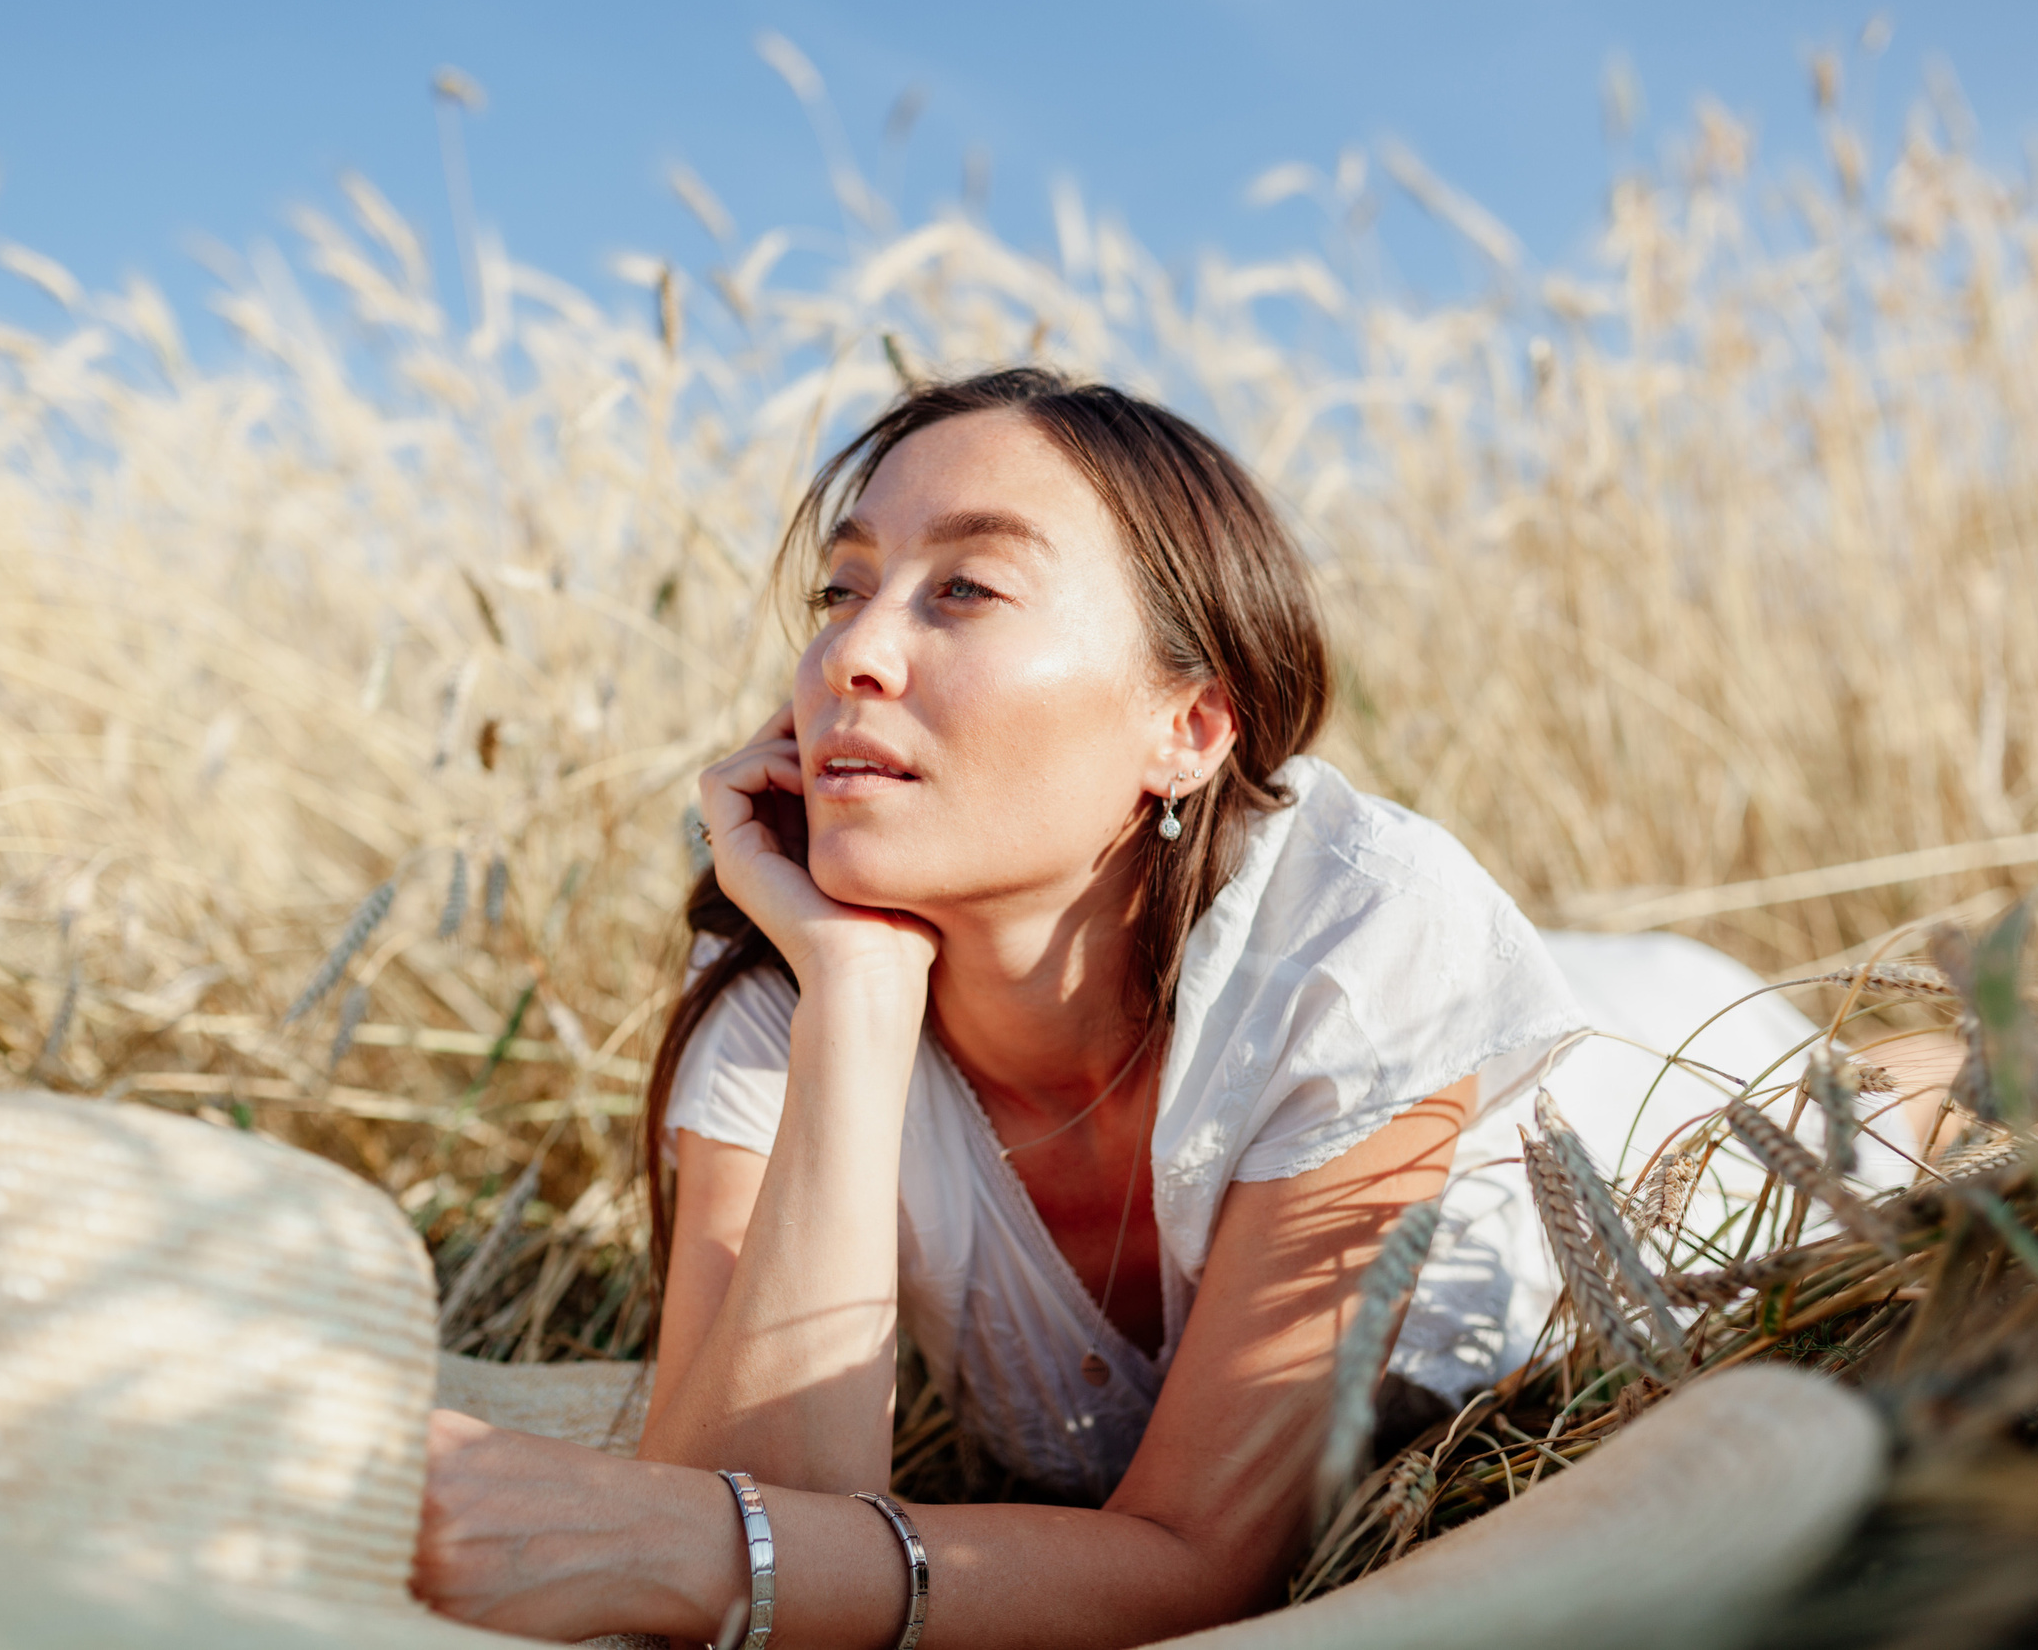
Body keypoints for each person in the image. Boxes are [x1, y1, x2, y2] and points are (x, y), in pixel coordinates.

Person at [413, 368, 1590, 1647]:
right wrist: (857, 993)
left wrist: (682, 1543)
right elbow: (760, 1526)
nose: (849, 655)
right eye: (841, 590)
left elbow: (1205, 1567)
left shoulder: (1360, 944)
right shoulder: (782, 965)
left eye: (965, 588)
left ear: (1190, 727)